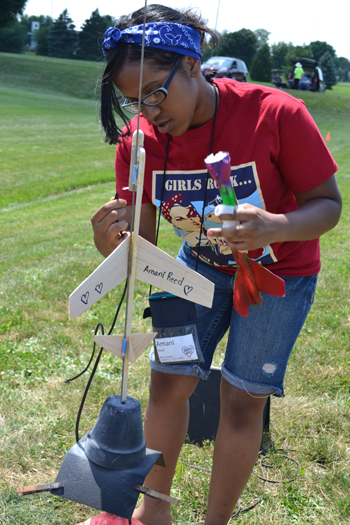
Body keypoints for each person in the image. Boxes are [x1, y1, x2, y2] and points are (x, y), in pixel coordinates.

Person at [88, 5, 342, 525]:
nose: (148, 110)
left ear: (192, 64)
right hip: (192, 268)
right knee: (168, 381)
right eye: (132, 99)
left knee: (243, 400)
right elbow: (144, 244)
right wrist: (112, 244)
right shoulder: (138, 141)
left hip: (280, 275)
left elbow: (328, 204)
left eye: (157, 91)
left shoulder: (276, 113)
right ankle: (152, 513)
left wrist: (277, 225)